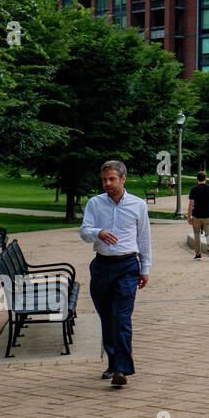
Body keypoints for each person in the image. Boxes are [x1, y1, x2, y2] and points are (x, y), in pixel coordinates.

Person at [79, 160, 151, 388]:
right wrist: (97, 232)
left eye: (111, 179)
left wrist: (145, 268)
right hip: (101, 266)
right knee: (107, 318)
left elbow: (144, 239)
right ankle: (112, 362)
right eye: (104, 179)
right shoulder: (95, 203)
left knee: (121, 317)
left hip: (128, 266)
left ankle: (121, 368)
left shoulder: (138, 205)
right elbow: (84, 232)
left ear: (123, 179)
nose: (107, 183)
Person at [187, 171, 209, 260]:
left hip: (196, 215)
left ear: (197, 179)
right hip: (208, 214)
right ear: (206, 178)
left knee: (197, 234)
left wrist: (189, 216)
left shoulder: (194, 189)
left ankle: (198, 254)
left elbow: (191, 204)